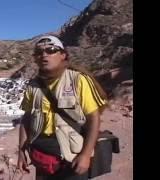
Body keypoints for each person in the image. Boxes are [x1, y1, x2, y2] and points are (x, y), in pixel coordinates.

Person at [17, 35, 108, 180]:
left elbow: (93, 118)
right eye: (39, 52)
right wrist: (21, 151)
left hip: (71, 157)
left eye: (51, 50)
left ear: (63, 55)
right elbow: (27, 118)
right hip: (41, 156)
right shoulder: (33, 85)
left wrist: (85, 155)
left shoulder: (78, 80)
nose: (44, 55)